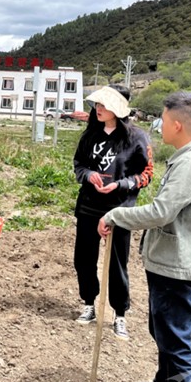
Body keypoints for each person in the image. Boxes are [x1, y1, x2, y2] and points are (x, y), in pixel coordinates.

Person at [99, 91, 191, 382]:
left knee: (175, 338)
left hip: (179, 263)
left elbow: (161, 212)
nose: (160, 127)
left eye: (164, 121)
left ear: (178, 125)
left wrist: (116, 214)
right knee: (163, 330)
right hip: (173, 259)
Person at [72, 85, 153, 340]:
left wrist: (121, 184)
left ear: (118, 109)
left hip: (120, 209)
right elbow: (78, 165)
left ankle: (119, 314)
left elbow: (146, 174)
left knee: (117, 263)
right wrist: (89, 175)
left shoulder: (136, 137)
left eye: (104, 105)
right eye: (97, 104)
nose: (99, 109)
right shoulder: (90, 135)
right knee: (84, 259)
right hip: (89, 206)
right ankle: (89, 303)